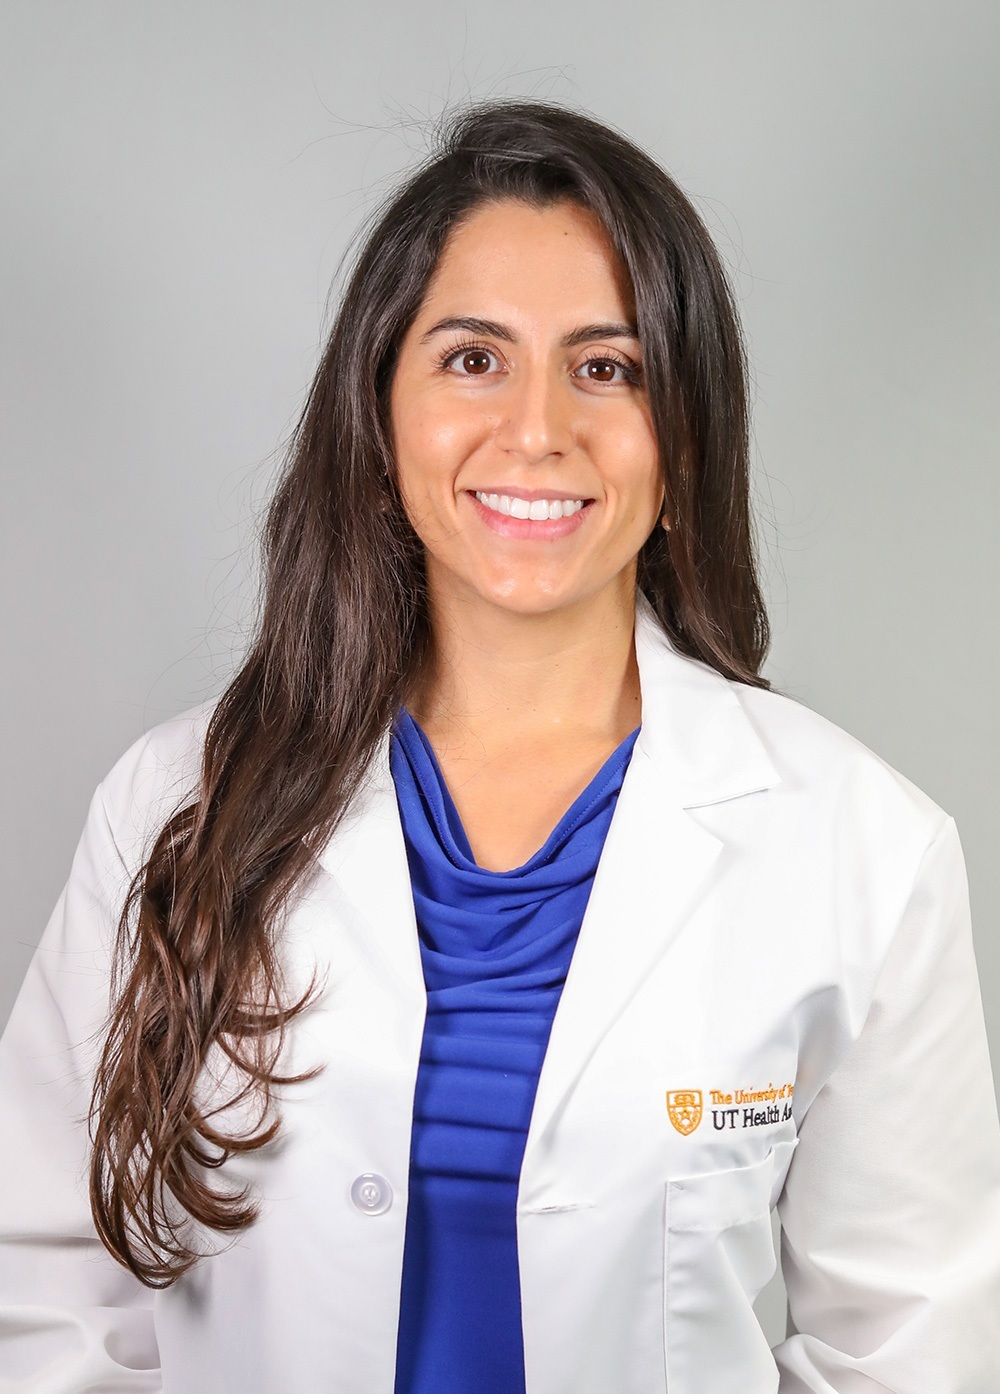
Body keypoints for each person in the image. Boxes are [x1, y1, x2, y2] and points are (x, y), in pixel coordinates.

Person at [0, 98, 997, 1394]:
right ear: (379, 417)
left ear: (681, 437)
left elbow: (917, 1350)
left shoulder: (864, 848)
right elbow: (40, 1280)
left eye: (608, 366)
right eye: (473, 358)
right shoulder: (174, 803)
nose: (537, 428)